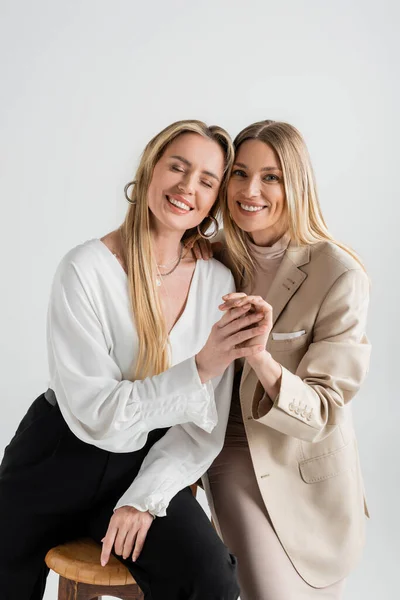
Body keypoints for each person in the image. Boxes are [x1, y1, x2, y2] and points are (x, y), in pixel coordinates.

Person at [0, 120, 267, 600]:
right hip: (57, 455)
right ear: (149, 170)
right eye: (177, 168)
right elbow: (96, 412)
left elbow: (200, 426)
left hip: (147, 461)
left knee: (209, 578)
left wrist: (146, 498)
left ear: (214, 201)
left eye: (207, 181)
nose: (188, 187)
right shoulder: (85, 269)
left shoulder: (217, 284)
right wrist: (198, 369)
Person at [200, 120, 371, 600]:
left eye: (270, 177)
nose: (250, 190)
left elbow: (323, 409)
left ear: (295, 183)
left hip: (309, 468)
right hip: (231, 452)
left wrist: (260, 357)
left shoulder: (338, 274)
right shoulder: (209, 260)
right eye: (239, 173)